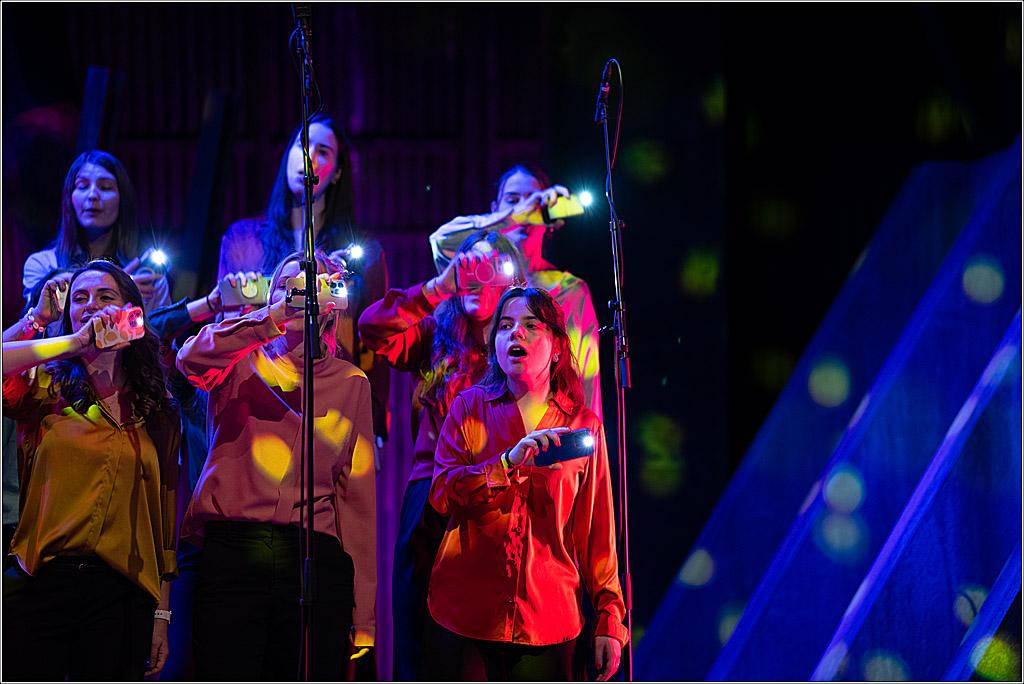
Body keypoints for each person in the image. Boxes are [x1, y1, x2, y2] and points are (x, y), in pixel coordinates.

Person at [176, 250, 377, 681]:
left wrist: (365, 615)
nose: (302, 294)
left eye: (313, 285)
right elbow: (189, 359)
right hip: (235, 550)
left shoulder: (351, 382)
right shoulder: (239, 360)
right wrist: (271, 317)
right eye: (290, 286)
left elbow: (356, 501)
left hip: (313, 555)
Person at [423, 287, 627, 681]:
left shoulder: (582, 427)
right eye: (505, 326)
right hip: (465, 616)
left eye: (531, 325)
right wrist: (505, 463)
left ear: (555, 346)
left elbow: (597, 536)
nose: (515, 333)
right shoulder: (469, 407)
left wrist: (609, 620)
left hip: (548, 621)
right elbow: (440, 494)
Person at [358, 229, 527, 680]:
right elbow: (371, 328)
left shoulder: (521, 345)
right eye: (467, 267)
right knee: (419, 633)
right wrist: (438, 288)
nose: (477, 276)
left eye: (489, 267)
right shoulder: (435, 332)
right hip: (431, 493)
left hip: (499, 497)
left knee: (487, 641)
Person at [2, 259, 181, 681]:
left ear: (131, 312)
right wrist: (70, 340)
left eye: (105, 296)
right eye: (79, 298)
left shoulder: (156, 406)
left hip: (121, 594)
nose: (91, 305)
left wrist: (162, 613)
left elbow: (165, 520)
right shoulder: (45, 384)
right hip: (41, 581)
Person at [216, 113, 390, 444]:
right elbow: (221, 323)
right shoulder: (243, 238)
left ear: (337, 172)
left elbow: (373, 343)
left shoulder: (362, 252)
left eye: (323, 151)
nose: (309, 156)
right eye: (302, 145)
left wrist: (376, 425)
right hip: (256, 397)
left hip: (332, 404)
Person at [428, 164, 603, 421]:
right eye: (512, 200)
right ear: (494, 210)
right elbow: (440, 240)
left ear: (552, 219)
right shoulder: (478, 276)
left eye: (536, 204)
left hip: (548, 427)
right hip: (481, 425)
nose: (527, 208)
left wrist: (588, 438)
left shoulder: (567, 290)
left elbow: (587, 376)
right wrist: (514, 215)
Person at [21, 150, 171, 313]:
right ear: (69, 198)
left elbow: (161, 336)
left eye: (105, 187)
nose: (92, 195)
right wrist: (117, 288)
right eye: (83, 186)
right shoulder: (43, 265)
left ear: (122, 200)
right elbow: (38, 329)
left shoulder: (146, 278)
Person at [2, 268, 74, 553]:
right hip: (16, 525)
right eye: (60, 292)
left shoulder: (112, 375)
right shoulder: (27, 371)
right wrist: (38, 318)